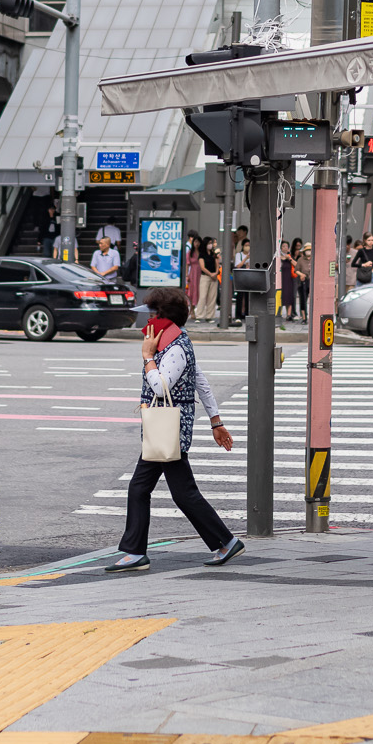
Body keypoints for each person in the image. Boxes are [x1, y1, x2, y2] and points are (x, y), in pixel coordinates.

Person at [106, 288, 244, 572]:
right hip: (168, 428)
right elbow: (201, 382)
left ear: (162, 318)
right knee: (178, 492)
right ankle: (225, 542)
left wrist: (147, 357)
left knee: (144, 487)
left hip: (168, 428)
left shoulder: (176, 348)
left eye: (151, 316)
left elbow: (161, 387)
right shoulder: (173, 342)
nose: (146, 324)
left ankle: (134, 552)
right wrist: (215, 421)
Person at [183, 234, 204, 319]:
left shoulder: (202, 252)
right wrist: (186, 275)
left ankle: (195, 310)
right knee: (192, 292)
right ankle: (191, 310)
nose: (197, 243)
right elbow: (187, 264)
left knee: (199, 291)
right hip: (193, 273)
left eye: (198, 241)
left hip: (201, 273)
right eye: (195, 241)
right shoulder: (190, 252)